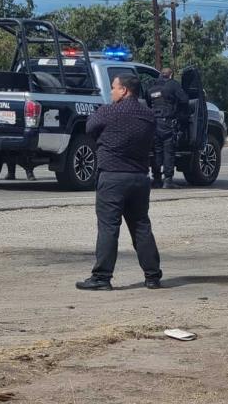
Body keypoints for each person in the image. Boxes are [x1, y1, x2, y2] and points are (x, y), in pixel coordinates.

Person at [76, 74, 162, 291]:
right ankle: (152, 276)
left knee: (108, 227)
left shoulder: (108, 111)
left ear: (124, 90)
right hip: (139, 178)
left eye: (114, 88)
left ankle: (102, 277)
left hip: (112, 177)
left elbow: (89, 128)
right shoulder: (148, 115)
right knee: (141, 226)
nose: (112, 91)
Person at [146, 67, 189, 189]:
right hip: (167, 122)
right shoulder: (173, 85)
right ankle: (168, 180)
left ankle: (157, 179)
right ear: (171, 75)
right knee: (168, 151)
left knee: (157, 151)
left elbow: (148, 102)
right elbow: (184, 100)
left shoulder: (152, 87)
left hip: (154, 123)